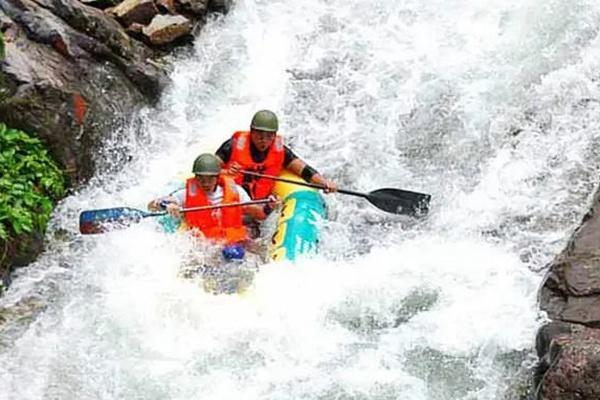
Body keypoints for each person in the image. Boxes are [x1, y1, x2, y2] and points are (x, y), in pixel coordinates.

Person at [147, 153, 275, 253]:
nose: (205, 183)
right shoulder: (185, 194)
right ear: (196, 178)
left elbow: (259, 214)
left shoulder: (236, 191)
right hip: (203, 245)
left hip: (231, 241)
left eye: (210, 179)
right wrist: (166, 205)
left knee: (238, 253)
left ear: (217, 177)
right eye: (201, 179)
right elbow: (153, 205)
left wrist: (270, 206)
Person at [215, 110, 337, 203]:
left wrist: (324, 182)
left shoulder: (281, 151)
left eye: (269, 136)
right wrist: (226, 171)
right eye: (259, 135)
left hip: (259, 204)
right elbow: (209, 170)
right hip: (231, 199)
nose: (264, 140)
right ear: (251, 131)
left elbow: (304, 170)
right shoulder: (232, 146)